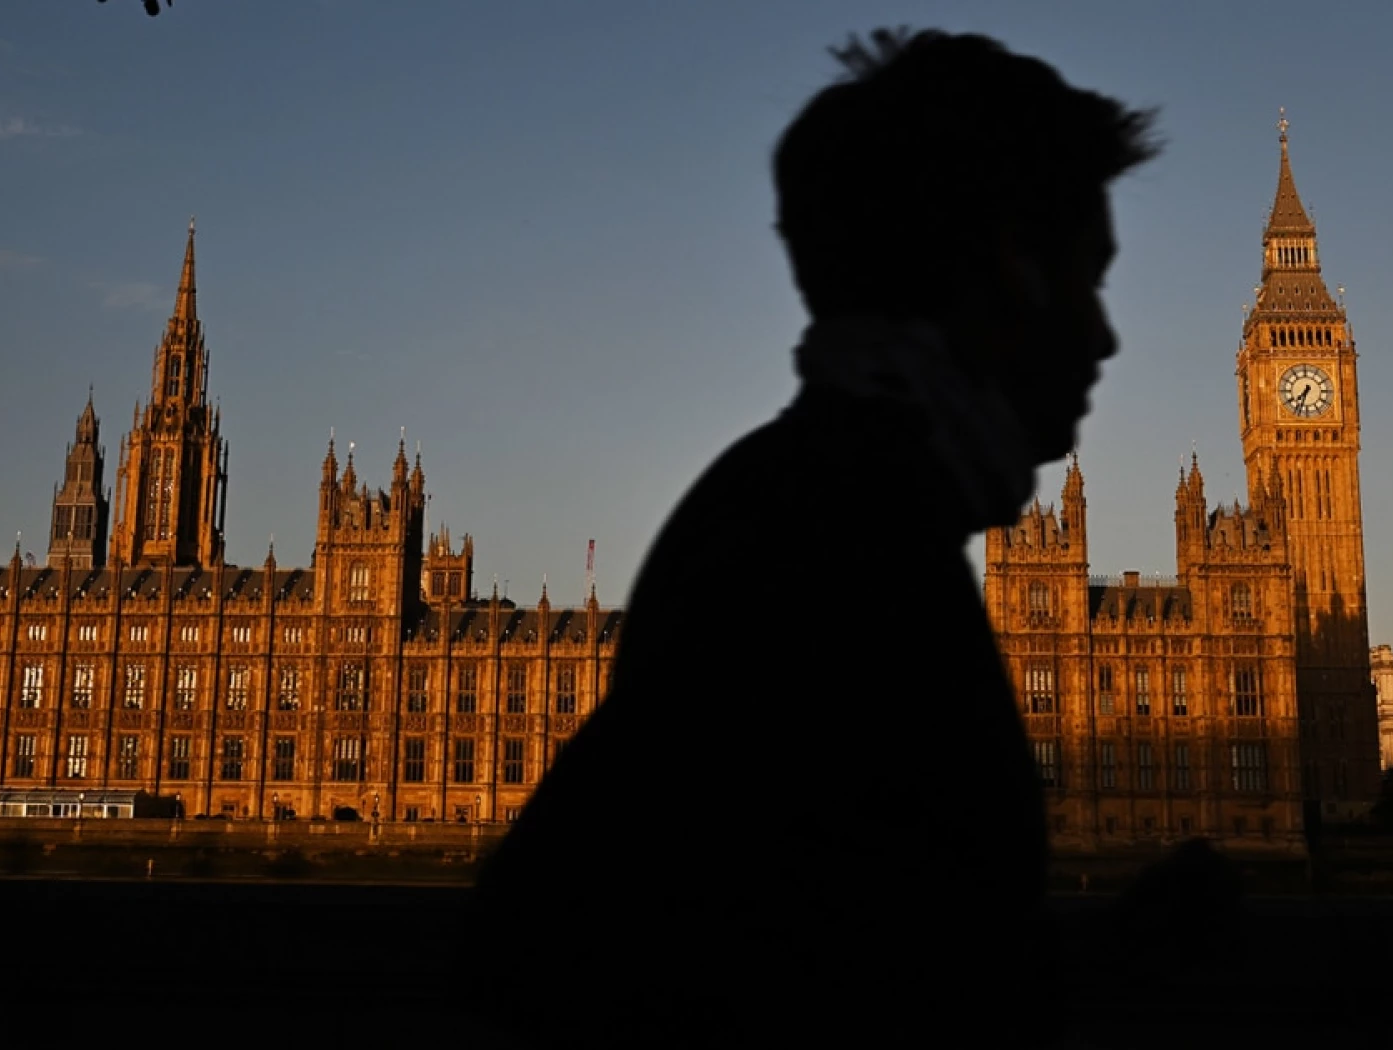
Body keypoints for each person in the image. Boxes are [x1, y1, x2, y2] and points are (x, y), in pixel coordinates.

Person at [461, 28, 1159, 1048]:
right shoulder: (841, 551)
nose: (1104, 334)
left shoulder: (824, 500)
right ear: (1002, 272)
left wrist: (1113, 953)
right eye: (1086, 276)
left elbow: (855, 938)